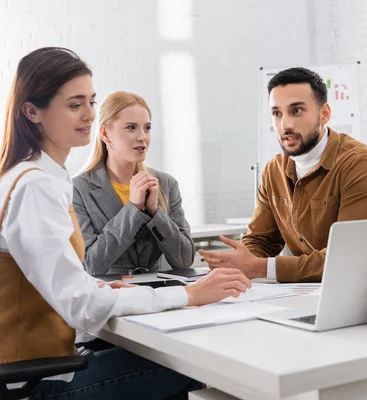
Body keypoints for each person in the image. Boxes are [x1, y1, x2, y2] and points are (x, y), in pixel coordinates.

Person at [0, 46, 250, 400]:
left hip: (42, 366)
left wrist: (102, 289)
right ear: (32, 112)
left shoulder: (33, 176)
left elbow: (65, 281)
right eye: (75, 105)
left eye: (91, 101)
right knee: (198, 360)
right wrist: (189, 294)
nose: (89, 114)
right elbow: (80, 306)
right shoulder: (36, 185)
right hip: (36, 382)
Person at [200, 67, 367, 282]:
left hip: (361, 290)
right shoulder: (274, 169)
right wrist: (237, 264)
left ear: (325, 114)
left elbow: (349, 257)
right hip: (308, 293)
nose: (285, 125)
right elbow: (261, 241)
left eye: (297, 111)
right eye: (277, 113)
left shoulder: (361, 165)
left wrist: (260, 268)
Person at [73, 91, 194, 276]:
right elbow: (90, 265)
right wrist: (134, 208)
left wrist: (155, 212)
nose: (142, 137)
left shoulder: (166, 184)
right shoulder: (79, 189)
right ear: (105, 134)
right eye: (131, 128)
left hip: (163, 296)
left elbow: (185, 260)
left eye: (147, 128)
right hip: (113, 298)